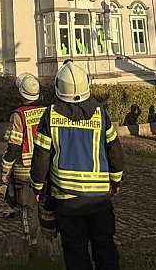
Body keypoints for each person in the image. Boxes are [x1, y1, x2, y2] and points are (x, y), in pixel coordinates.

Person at [30, 60, 124, 270]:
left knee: (75, 252)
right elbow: (115, 150)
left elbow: (41, 155)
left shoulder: (50, 115)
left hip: (67, 200)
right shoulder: (100, 113)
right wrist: (116, 181)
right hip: (99, 199)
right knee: (105, 248)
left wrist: (37, 187)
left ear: (58, 87)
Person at [1, 74, 48, 245]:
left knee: (27, 209)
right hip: (46, 170)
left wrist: (5, 170)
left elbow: (14, 147)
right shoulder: (47, 111)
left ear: (20, 93)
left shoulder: (18, 115)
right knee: (46, 207)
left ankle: (31, 243)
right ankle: (49, 241)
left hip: (25, 173)